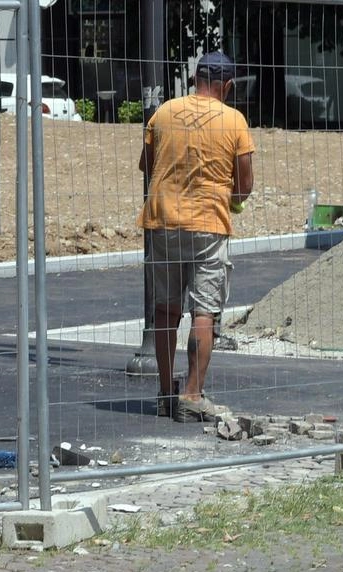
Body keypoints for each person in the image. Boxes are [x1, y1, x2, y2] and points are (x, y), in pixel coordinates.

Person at [136, 51, 255, 423]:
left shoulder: (165, 112)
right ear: (228, 85)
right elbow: (245, 184)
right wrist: (231, 199)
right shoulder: (234, 121)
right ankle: (192, 394)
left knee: (166, 309)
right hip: (208, 224)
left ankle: (165, 392)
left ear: (195, 79)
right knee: (204, 311)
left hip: (162, 221)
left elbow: (146, 164)